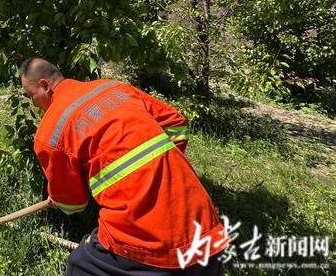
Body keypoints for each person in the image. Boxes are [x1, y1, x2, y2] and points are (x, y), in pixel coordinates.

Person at [20, 57, 227, 275]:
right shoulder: (114, 87)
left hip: (145, 236)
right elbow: (176, 123)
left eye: (31, 96)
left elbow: (73, 205)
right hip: (202, 222)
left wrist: (60, 198)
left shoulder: (51, 132)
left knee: (79, 265)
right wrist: (155, 165)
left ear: (45, 85)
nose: (34, 104)